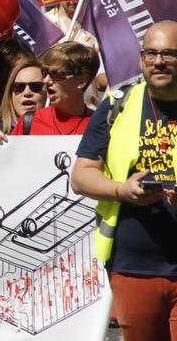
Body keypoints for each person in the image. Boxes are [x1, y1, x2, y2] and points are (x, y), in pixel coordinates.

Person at [72, 21, 177, 341]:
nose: (158, 62)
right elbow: (82, 175)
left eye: (169, 54)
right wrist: (122, 190)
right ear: (141, 59)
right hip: (134, 266)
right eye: (151, 54)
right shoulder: (118, 102)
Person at [11, 41, 98, 136]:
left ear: (82, 81)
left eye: (57, 74)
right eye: (45, 72)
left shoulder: (100, 126)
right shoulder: (30, 122)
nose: (46, 81)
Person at [0, 59, 46, 142]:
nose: (27, 92)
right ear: (10, 94)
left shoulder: (59, 130)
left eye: (36, 86)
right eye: (19, 87)